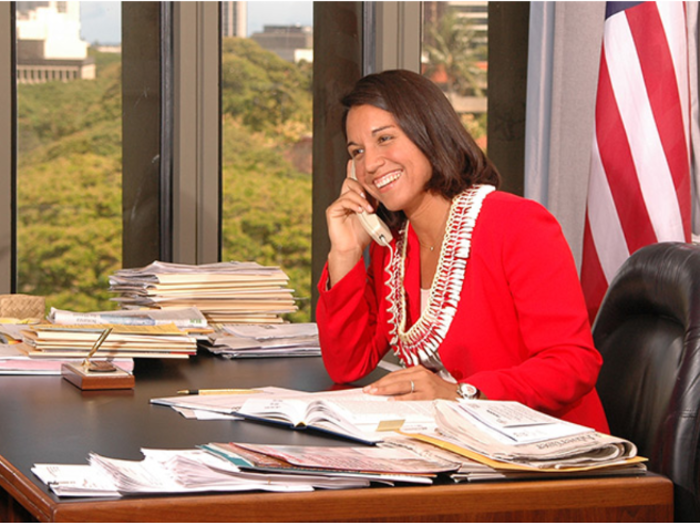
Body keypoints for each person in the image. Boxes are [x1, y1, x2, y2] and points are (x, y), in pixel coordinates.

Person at [316, 69, 609, 433]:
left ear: (429, 133)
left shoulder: (517, 223)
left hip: (541, 447)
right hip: (456, 446)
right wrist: (344, 253)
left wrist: (460, 393)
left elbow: (572, 363)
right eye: (357, 152)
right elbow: (349, 365)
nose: (370, 164)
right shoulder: (393, 247)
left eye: (385, 139)